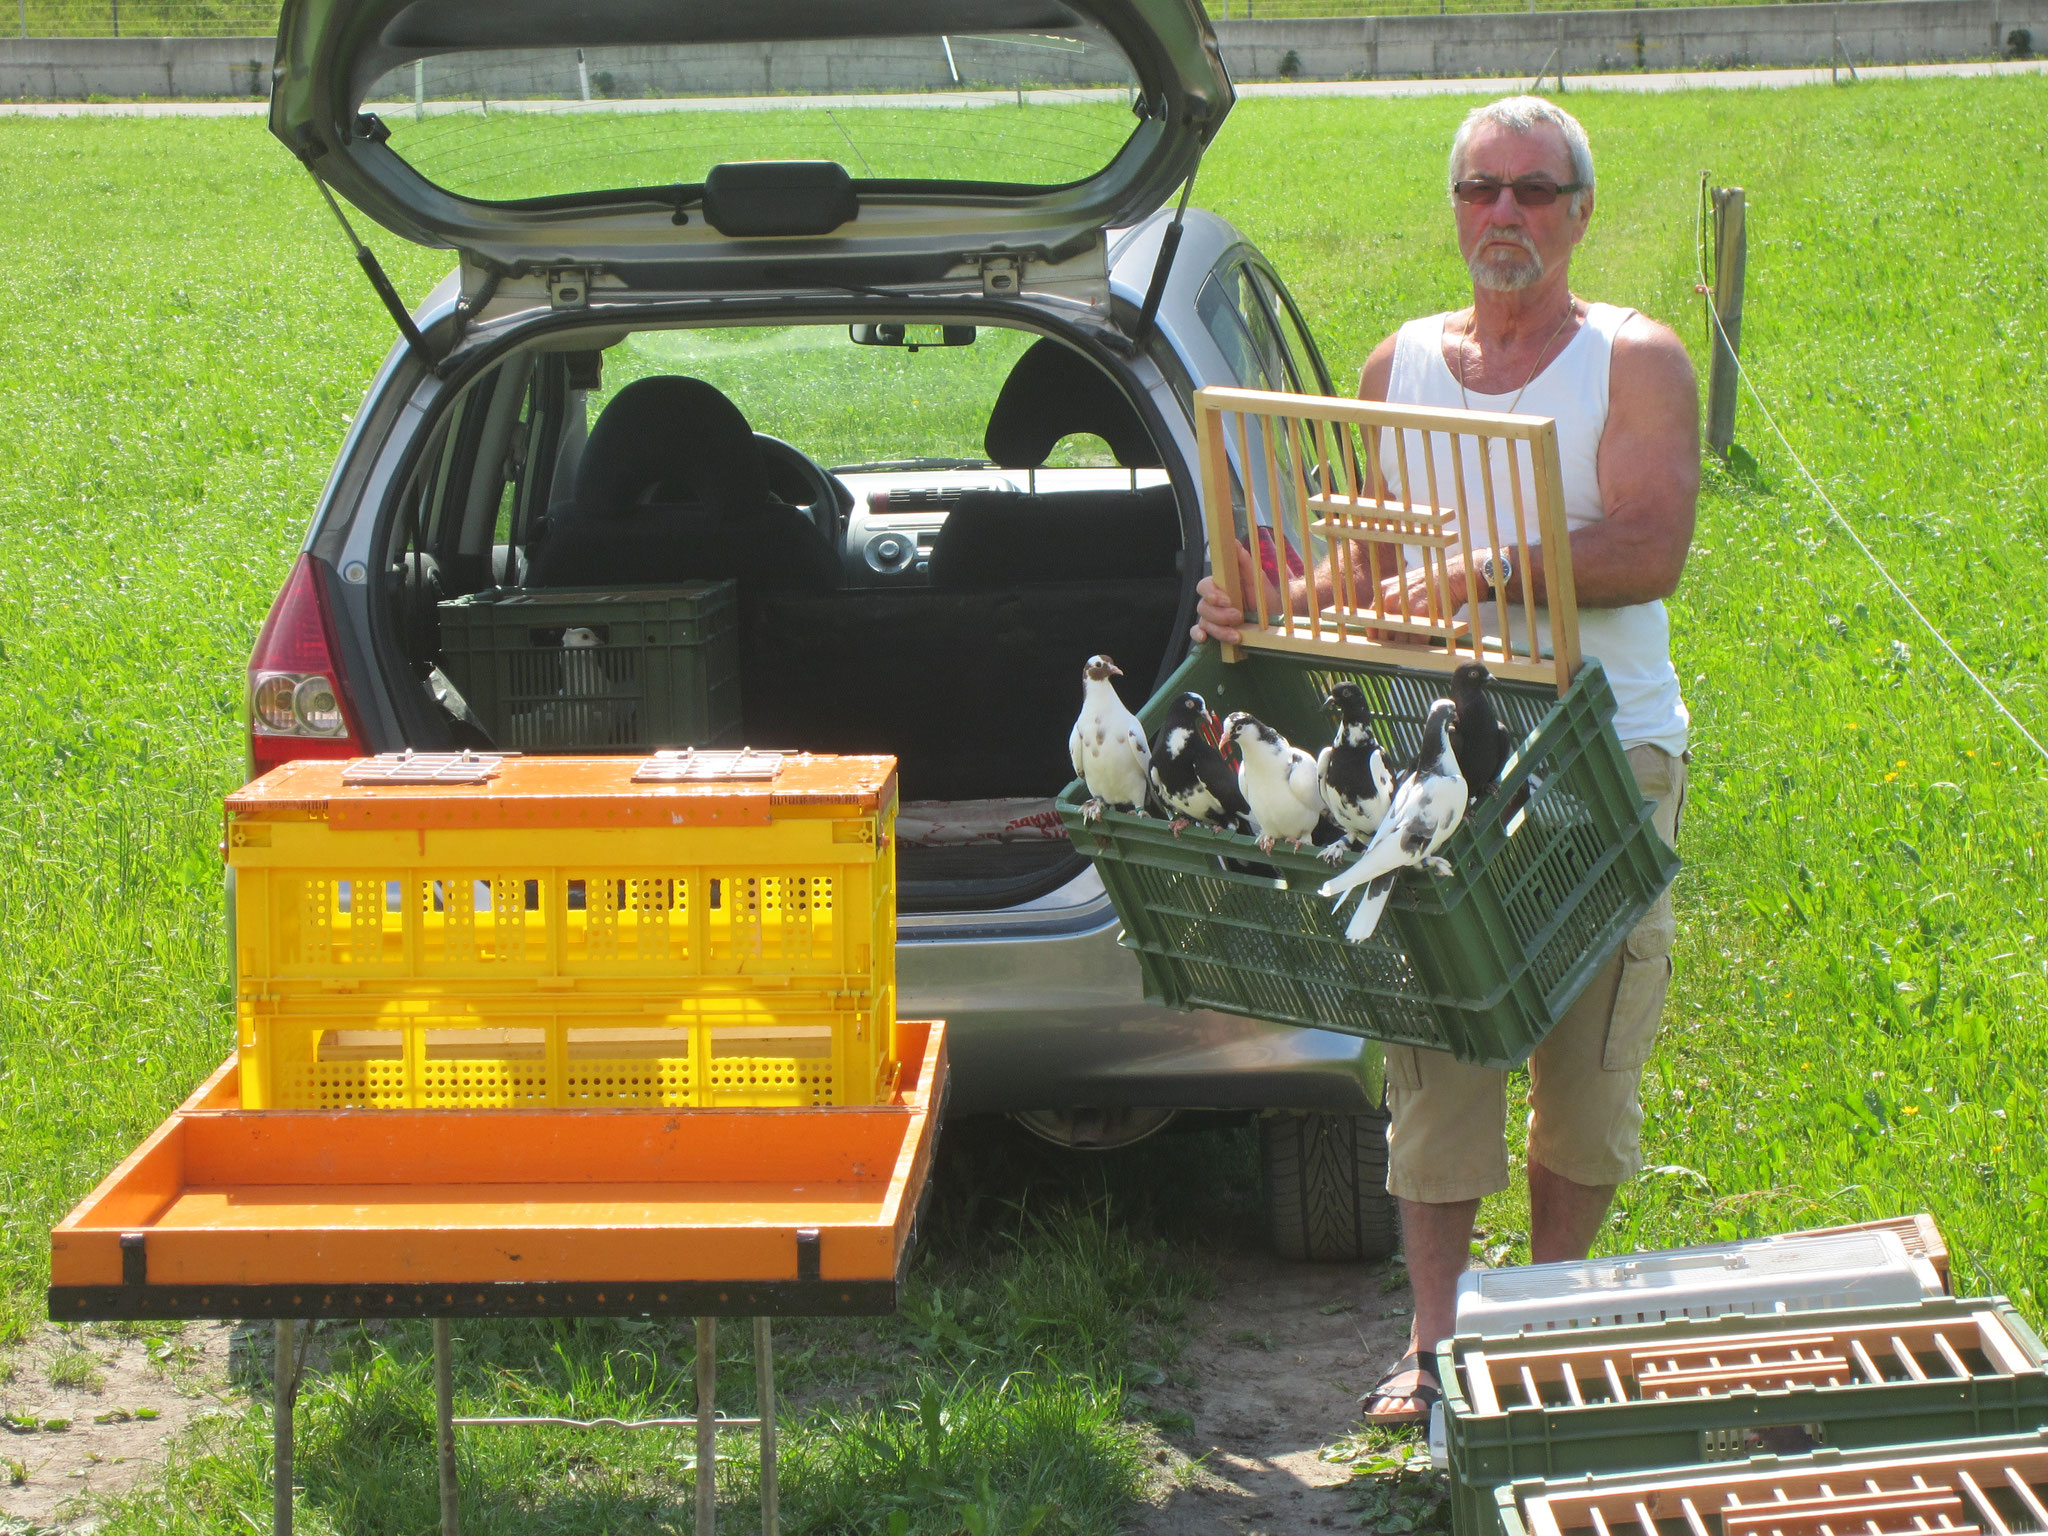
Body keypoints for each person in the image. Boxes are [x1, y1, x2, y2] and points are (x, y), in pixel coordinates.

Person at [1192, 95, 1698, 1426]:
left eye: (1536, 190)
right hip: (1436, 770)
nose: (1507, 215)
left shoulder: (1632, 362)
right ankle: (1434, 1348)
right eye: (1483, 190)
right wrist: (1258, 601)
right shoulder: (1397, 364)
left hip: (1606, 757)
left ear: (1581, 210)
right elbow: (1364, 568)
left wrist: (1481, 575)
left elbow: (1649, 550)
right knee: (1440, 1052)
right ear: (1458, 209)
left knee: (1585, 1069)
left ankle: (1545, 1332)